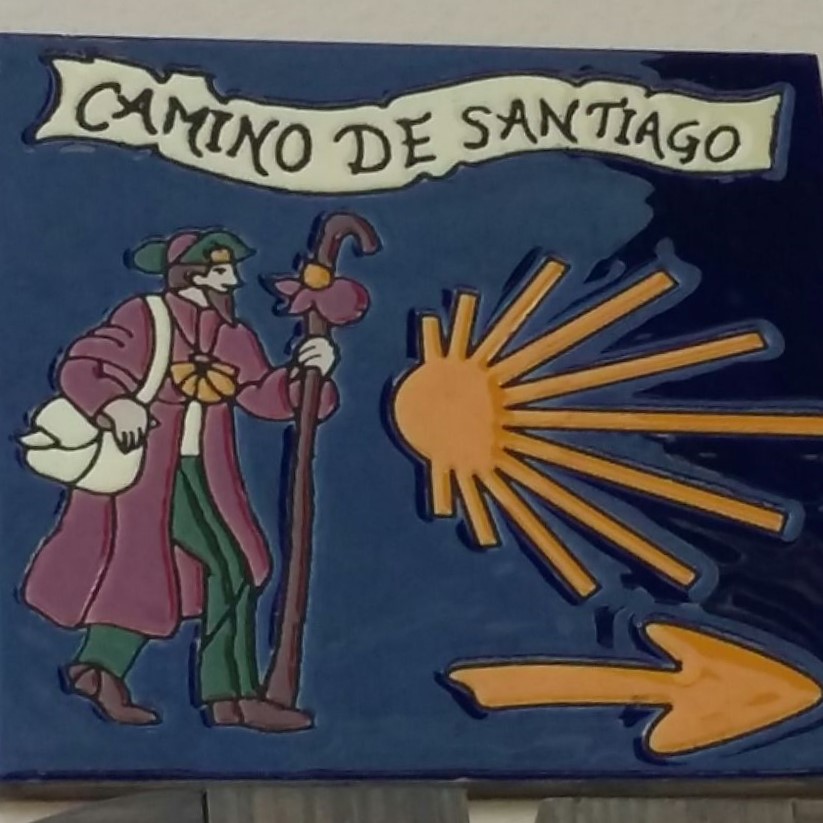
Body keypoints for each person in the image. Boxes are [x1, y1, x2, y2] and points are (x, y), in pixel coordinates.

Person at [22, 229, 337, 732]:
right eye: (220, 269)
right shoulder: (146, 317)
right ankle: (229, 696)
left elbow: (263, 395)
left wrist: (309, 374)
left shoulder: (231, 333)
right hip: (145, 474)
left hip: (202, 471)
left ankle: (98, 670)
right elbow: (83, 365)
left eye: (230, 268)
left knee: (150, 575)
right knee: (226, 568)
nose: (232, 278)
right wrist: (115, 403)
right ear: (191, 273)